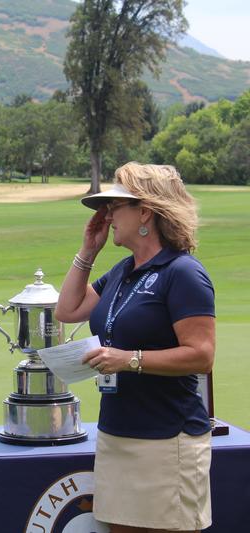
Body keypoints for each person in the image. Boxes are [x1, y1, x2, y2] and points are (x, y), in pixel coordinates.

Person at [56, 162, 215, 533]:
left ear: (144, 212)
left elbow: (202, 354)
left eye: (115, 206)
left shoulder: (183, 272)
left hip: (166, 441)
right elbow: (68, 310)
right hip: (118, 435)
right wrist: (88, 250)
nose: (108, 216)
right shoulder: (123, 271)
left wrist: (129, 360)